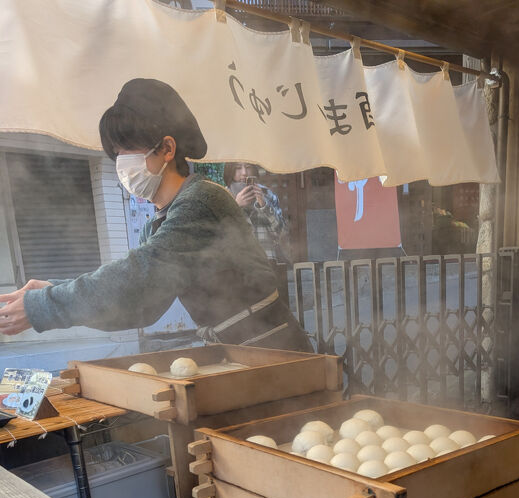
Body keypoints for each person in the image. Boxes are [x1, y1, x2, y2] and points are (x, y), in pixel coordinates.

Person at [0, 79, 311, 352]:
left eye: (128, 151)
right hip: (238, 353)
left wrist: (45, 305)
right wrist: (53, 289)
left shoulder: (201, 200)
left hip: (275, 352)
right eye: (117, 154)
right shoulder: (161, 219)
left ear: (166, 148)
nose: (121, 163)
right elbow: (142, 303)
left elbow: (138, 280)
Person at [224, 162, 288, 265]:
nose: (244, 173)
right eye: (238, 168)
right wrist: (236, 206)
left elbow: (281, 232)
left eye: (248, 167)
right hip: (236, 263)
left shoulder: (267, 194)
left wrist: (264, 205)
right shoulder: (223, 196)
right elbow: (219, 234)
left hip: (267, 261)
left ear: (254, 169)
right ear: (230, 171)